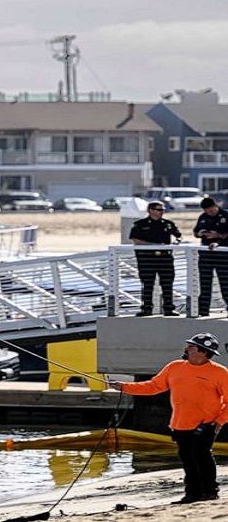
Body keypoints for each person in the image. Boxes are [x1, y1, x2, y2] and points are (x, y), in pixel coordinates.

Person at [109, 332, 228, 504]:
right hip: (180, 423)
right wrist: (125, 387)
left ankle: (210, 492)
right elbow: (154, 386)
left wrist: (220, 421)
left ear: (203, 352)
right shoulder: (174, 367)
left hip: (206, 424)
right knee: (187, 459)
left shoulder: (220, 372)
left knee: (202, 455)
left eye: (191, 346)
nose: (186, 348)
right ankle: (193, 494)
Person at [129, 202, 183, 316]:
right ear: (150, 210)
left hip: (165, 259)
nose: (161, 212)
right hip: (147, 259)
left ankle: (169, 309)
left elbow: (178, 235)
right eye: (158, 209)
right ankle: (146, 309)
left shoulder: (167, 224)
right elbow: (136, 240)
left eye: (162, 209)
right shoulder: (140, 224)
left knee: (167, 284)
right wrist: (154, 244)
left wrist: (176, 242)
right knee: (147, 284)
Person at [193, 197, 228, 316]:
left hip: (222, 255)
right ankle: (203, 309)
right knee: (205, 283)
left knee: (225, 283)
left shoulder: (225, 215)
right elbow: (196, 232)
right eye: (207, 211)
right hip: (206, 255)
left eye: (212, 211)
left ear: (216, 206)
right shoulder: (203, 217)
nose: (210, 213)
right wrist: (200, 233)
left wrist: (218, 236)